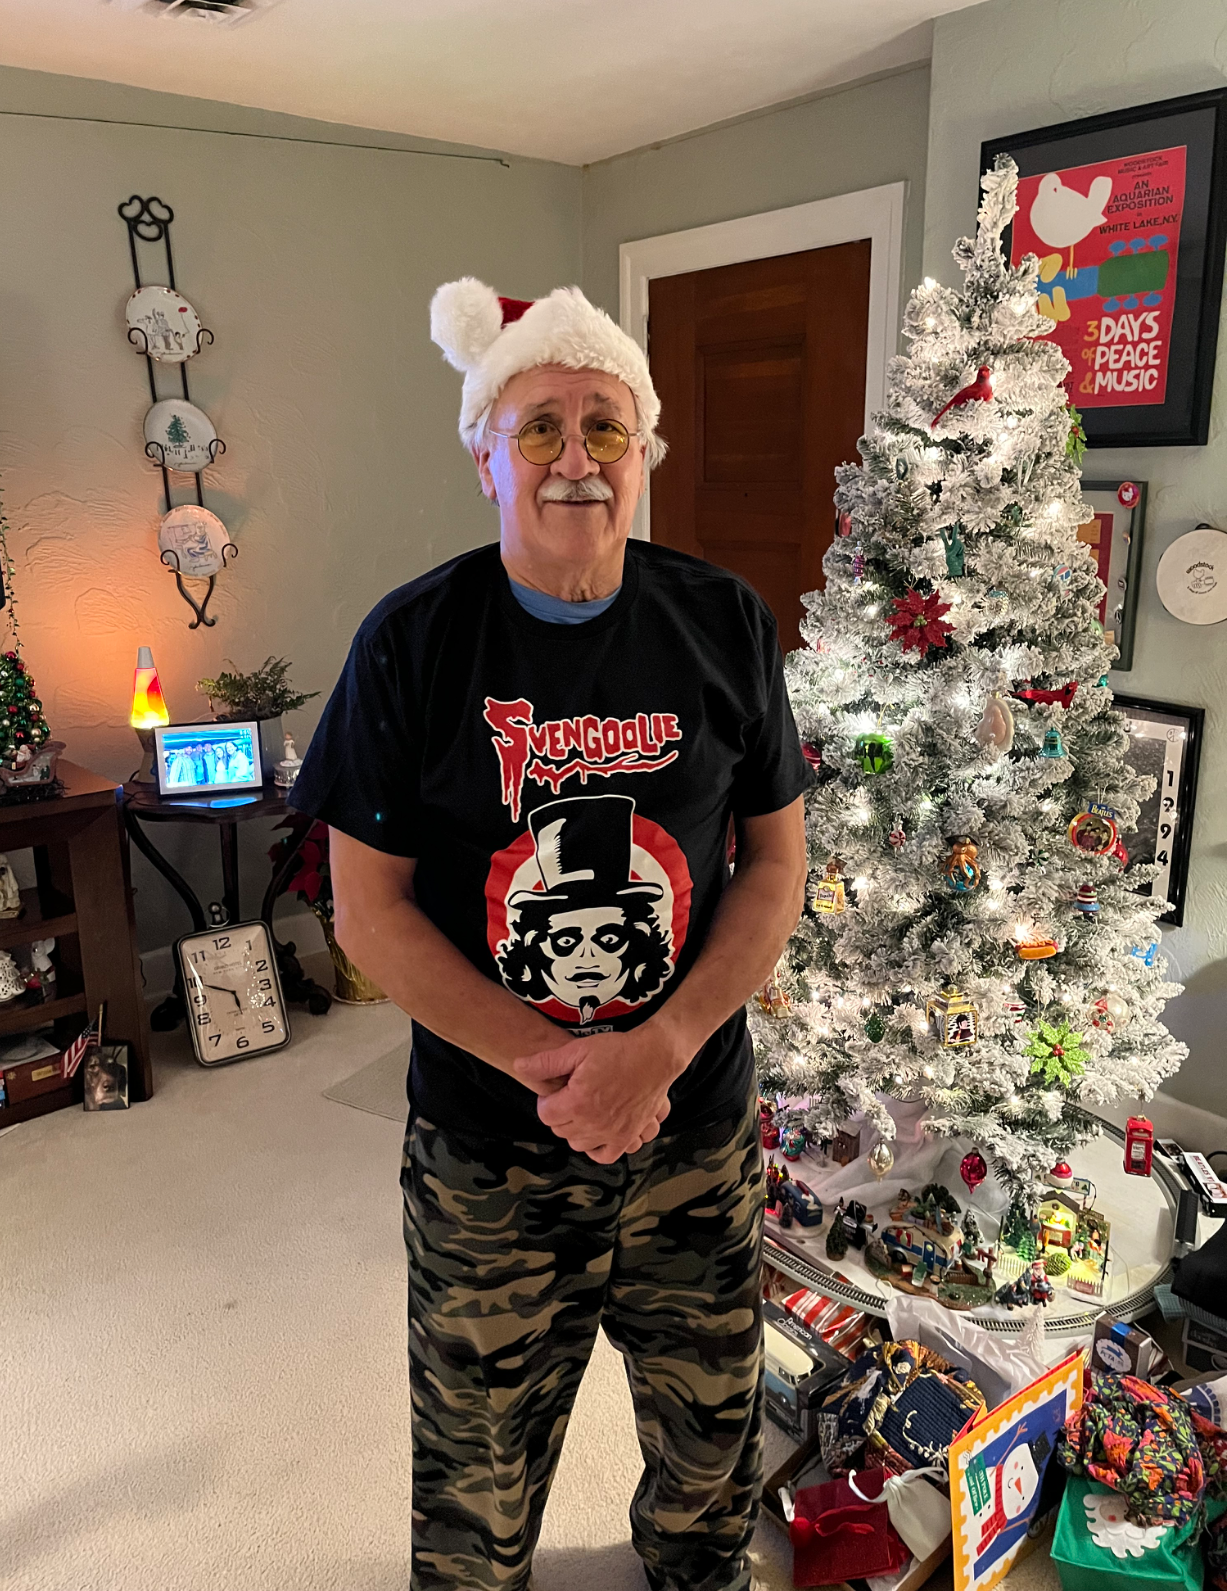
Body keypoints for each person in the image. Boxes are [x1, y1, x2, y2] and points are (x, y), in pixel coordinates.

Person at [291, 276, 811, 1591]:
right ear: (485, 455)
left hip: (694, 1129)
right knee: (475, 1476)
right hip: (489, 1152)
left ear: (645, 454)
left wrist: (662, 1048)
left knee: (713, 1447)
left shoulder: (723, 621)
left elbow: (774, 866)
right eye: (539, 426)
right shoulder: (411, 643)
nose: (576, 457)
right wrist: (563, 1067)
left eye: (605, 425)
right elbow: (368, 910)